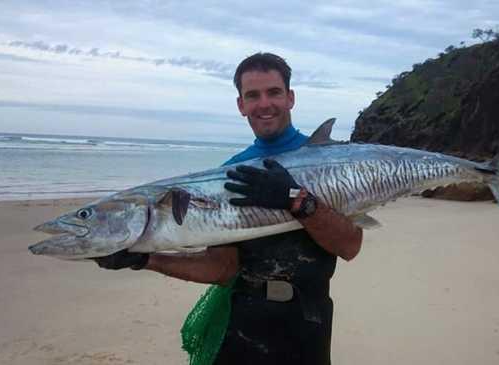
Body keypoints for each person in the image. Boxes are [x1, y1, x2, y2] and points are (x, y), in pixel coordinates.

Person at [95, 52, 363, 364]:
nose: (264, 104)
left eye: (274, 92)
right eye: (253, 95)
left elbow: (349, 245)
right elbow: (221, 268)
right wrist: (144, 258)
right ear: (241, 105)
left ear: (290, 98)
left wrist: (296, 200)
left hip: (309, 320)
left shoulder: (333, 165)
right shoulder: (231, 174)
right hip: (244, 320)